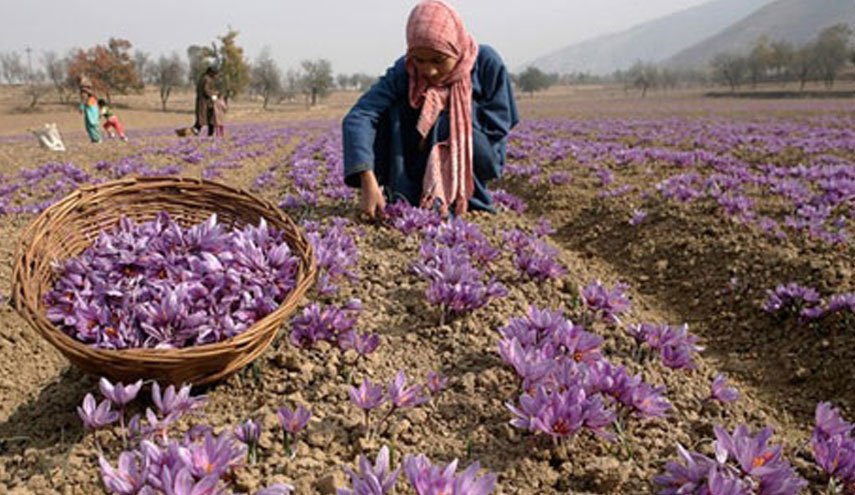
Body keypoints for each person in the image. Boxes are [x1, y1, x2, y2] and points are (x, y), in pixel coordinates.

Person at [342, 0, 519, 219]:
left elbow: (499, 125)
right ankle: (403, 192)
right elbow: (360, 115)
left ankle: (459, 198)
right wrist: (367, 178)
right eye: (419, 60)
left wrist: (447, 115)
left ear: (456, 47)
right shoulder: (406, 69)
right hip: (419, 155)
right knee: (392, 109)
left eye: (439, 59)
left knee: (444, 118)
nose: (429, 70)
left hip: (477, 155)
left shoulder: (485, 62)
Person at [193, 66, 220, 136]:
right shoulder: (207, 79)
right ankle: (210, 135)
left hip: (203, 102)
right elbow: (206, 91)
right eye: (215, 74)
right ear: (211, 73)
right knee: (209, 119)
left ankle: (194, 133)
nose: (216, 76)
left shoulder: (203, 78)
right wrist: (214, 95)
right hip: (205, 103)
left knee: (201, 121)